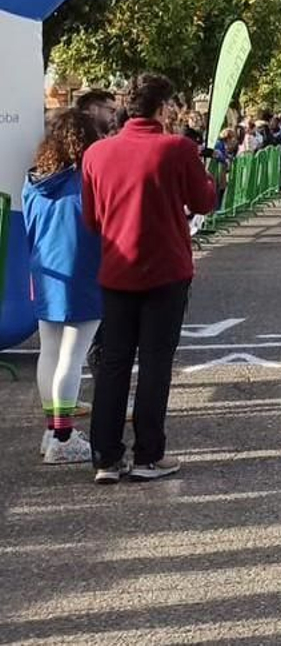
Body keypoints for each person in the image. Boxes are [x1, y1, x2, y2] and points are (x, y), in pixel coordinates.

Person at [81, 73, 218, 483]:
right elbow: (204, 200)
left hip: (116, 270)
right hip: (166, 270)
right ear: (162, 109)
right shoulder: (177, 148)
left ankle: (105, 457)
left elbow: (91, 218)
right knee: (156, 363)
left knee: (113, 363)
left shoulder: (97, 154)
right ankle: (147, 455)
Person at [23, 109, 103, 465]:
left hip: (44, 271)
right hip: (82, 272)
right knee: (72, 358)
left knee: (50, 353)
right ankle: (64, 436)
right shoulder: (86, 181)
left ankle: (52, 429)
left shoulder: (33, 180)